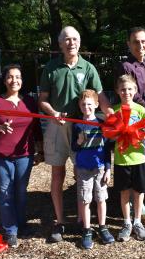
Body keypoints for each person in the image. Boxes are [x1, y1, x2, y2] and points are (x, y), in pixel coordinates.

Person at [38, 26, 112, 243]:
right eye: (67, 39)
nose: (71, 43)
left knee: (84, 172)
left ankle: (84, 221)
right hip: (57, 126)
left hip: (84, 127)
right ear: (60, 44)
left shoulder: (88, 68)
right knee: (57, 174)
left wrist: (113, 117)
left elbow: (101, 97)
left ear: (80, 42)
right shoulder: (51, 68)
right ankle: (60, 221)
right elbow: (42, 99)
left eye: (75, 39)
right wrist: (53, 113)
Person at [0, 64, 43, 248]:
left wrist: (41, 150)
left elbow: (37, 127)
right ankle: (11, 231)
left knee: (21, 192)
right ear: (4, 80)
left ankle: (21, 224)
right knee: (6, 193)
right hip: (1, 155)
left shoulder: (30, 102)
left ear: (22, 81)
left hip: (25, 155)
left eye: (18, 77)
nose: (14, 80)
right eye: (10, 77)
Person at [114, 26, 145, 227]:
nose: (140, 45)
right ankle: (138, 212)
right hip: (131, 121)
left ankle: (140, 203)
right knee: (134, 163)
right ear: (128, 43)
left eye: (143, 41)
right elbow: (134, 96)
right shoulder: (126, 66)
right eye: (135, 41)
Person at [112, 75, 145, 242]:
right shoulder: (114, 111)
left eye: (129, 89)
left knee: (139, 191)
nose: (126, 92)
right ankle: (127, 222)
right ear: (117, 91)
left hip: (139, 158)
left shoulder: (142, 110)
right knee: (124, 192)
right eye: (122, 89)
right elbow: (110, 135)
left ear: (135, 90)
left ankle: (137, 222)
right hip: (122, 160)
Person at [71, 89, 114, 249]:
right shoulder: (76, 126)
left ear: (96, 104)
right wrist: (80, 141)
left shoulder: (102, 124)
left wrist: (108, 169)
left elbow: (107, 148)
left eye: (89, 104)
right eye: (83, 104)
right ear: (79, 106)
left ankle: (102, 227)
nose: (86, 107)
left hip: (100, 168)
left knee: (101, 198)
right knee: (84, 199)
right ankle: (87, 229)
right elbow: (74, 147)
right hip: (83, 169)